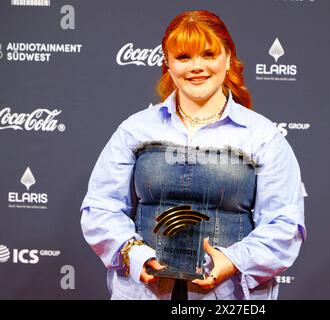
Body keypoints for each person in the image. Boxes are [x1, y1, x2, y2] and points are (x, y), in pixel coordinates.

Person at [80, 10, 306, 300]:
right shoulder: (135, 129)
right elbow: (101, 207)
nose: (196, 67)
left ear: (228, 59)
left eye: (208, 55)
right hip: (143, 293)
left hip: (229, 295)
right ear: (168, 65)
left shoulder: (263, 136)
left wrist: (235, 261)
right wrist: (133, 253)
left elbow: (285, 224)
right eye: (184, 57)